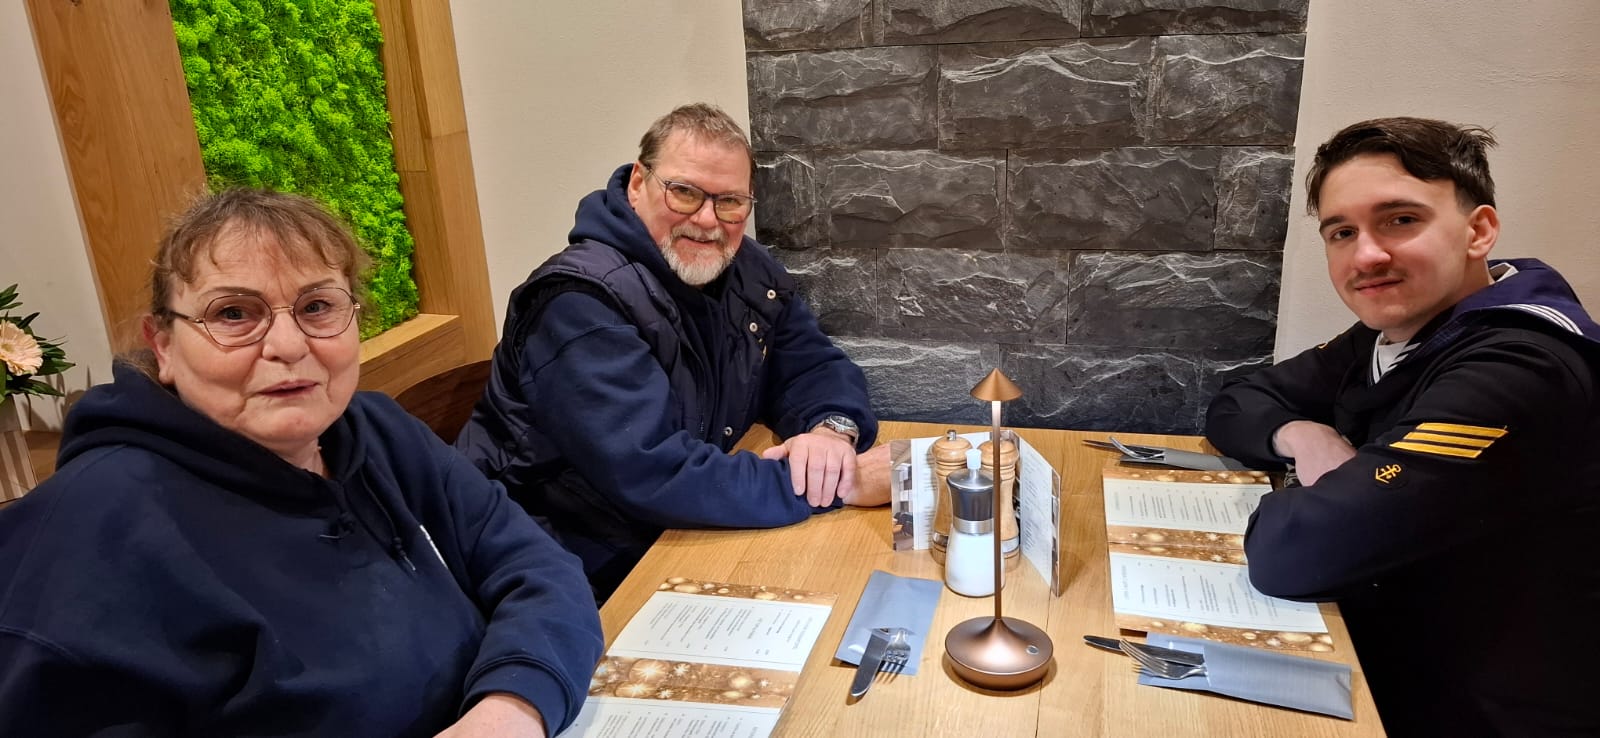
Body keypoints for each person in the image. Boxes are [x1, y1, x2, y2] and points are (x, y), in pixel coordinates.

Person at [0, 189, 604, 737]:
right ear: (163, 345)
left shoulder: (378, 433)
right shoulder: (89, 532)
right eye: (233, 314)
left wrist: (511, 710)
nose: (288, 346)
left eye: (316, 306)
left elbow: (541, 569)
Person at [1206, 117, 1600, 736]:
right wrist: (1303, 435)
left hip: (1473, 705)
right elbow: (1237, 402)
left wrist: (1323, 497)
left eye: (1400, 220)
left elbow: (1297, 553)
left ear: (1478, 231)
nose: (1367, 255)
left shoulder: (1520, 366)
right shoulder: (1397, 331)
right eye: (1342, 232)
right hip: (1385, 647)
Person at [457, 103, 883, 601]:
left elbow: (812, 364)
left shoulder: (744, 268)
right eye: (684, 192)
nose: (706, 220)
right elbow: (651, 471)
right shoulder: (579, 302)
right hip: (557, 567)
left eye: (730, 201)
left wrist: (830, 432)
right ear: (638, 183)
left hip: (670, 537)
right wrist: (840, 484)